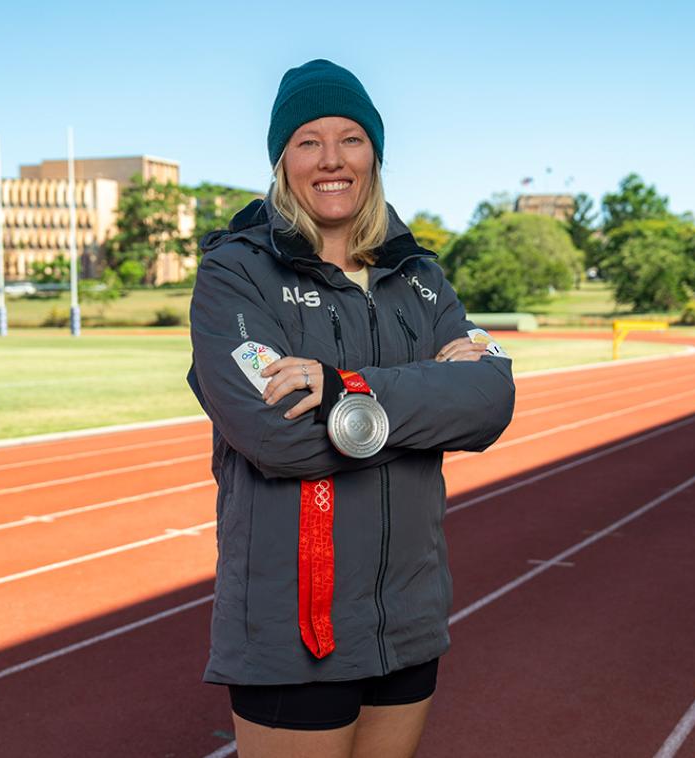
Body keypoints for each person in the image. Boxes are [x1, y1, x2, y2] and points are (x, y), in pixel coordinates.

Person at [187, 59, 515, 758]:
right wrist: (429, 393)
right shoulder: (236, 274)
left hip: (408, 619)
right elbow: (279, 436)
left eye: (351, 139)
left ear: (375, 153)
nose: (331, 160)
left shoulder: (419, 277)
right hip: (297, 632)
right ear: (282, 159)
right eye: (308, 141)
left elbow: (490, 401)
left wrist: (345, 395)